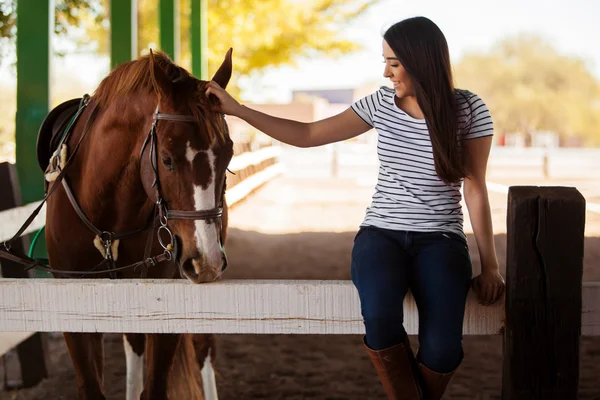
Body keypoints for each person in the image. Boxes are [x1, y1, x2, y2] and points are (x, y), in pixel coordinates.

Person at [206, 16, 505, 400]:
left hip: (442, 240)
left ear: (420, 60)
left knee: (444, 349)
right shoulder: (380, 105)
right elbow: (309, 134)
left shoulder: (469, 108)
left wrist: (491, 264)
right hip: (381, 236)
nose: (386, 73)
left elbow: (475, 189)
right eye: (385, 62)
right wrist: (239, 110)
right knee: (380, 319)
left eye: (393, 63)